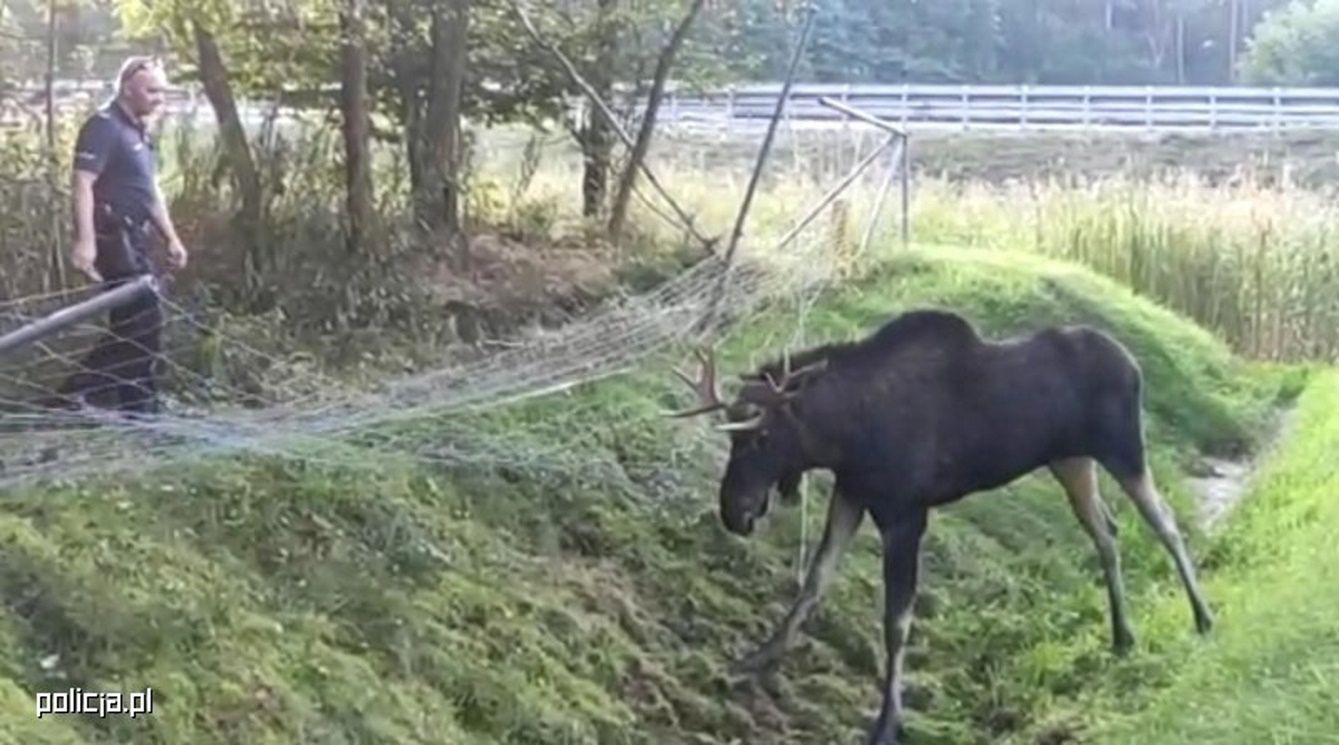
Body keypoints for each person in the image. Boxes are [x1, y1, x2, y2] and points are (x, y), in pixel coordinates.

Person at [55, 55, 188, 416]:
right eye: (151, 89)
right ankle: (76, 397)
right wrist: (85, 242)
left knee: (139, 327)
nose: (158, 97)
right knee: (142, 323)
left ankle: (138, 409)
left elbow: (150, 191)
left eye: (161, 90)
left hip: (138, 237)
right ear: (127, 88)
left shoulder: (138, 131)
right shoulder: (104, 126)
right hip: (113, 238)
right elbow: (82, 183)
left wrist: (171, 237)